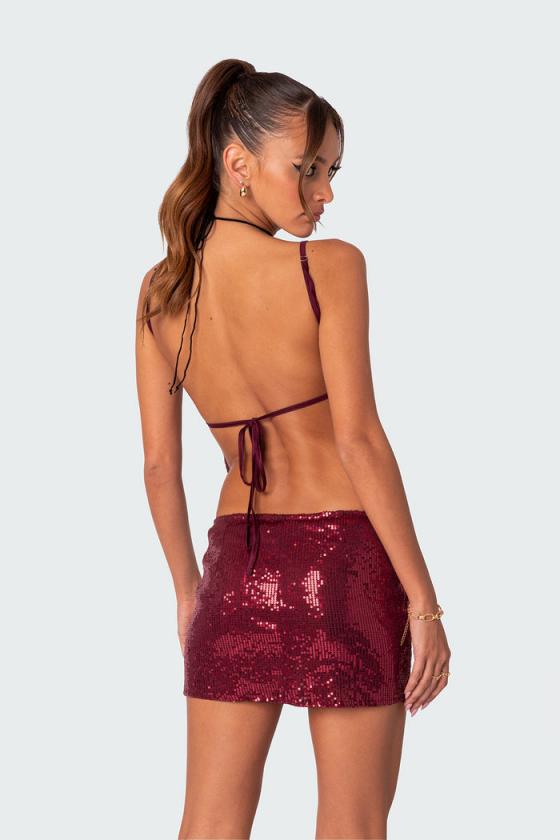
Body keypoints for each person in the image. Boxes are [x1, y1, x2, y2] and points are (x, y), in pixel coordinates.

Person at [135, 58, 451, 840]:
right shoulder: (330, 265)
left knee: (208, 825)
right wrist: (424, 602)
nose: (325, 192)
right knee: (353, 826)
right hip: (344, 564)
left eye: (332, 171)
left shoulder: (161, 291)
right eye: (307, 168)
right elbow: (359, 439)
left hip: (234, 569)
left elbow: (160, 468)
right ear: (237, 163)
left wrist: (188, 590)